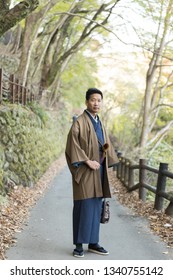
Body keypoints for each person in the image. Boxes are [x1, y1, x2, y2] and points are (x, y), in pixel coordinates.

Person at [65, 88, 119, 258]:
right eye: (93, 100)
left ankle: (94, 242)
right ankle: (79, 245)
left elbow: (106, 144)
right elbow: (72, 145)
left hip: (99, 170)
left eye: (99, 100)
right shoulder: (79, 122)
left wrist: (106, 155)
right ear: (87, 102)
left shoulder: (100, 123)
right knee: (83, 206)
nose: (96, 103)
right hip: (85, 170)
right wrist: (87, 161)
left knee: (96, 206)